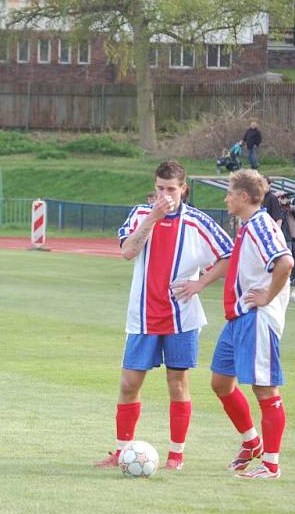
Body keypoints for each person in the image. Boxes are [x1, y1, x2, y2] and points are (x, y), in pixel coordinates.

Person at [95, 161, 234, 471]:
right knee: (129, 384)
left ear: (183, 189)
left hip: (181, 318)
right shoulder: (141, 214)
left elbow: (229, 255)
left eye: (171, 189)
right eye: (160, 188)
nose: (165, 195)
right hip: (142, 316)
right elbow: (127, 251)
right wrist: (153, 218)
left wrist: (200, 283)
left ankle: (176, 455)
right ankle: (121, 451)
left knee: (177, 384)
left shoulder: (198, 223)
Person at [211, 169, 293, 480]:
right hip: (238, 318)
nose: (226, 198)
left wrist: (267, 298)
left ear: (244, 197)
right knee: (220, 383)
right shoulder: (247, 226)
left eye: (230, 193)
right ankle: (251, 442)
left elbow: (285, 262)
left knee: (265, 390)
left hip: (257, 319)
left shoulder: (260, 225)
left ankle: (271, 464)